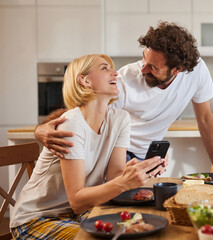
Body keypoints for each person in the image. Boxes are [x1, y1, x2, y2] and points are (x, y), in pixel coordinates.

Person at [34, 21, 213, 177]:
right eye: (144, 59)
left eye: (153, 67)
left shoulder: (197, 71)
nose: (143, 68)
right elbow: (82, 112)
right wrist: (40, 129)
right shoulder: (124, 80)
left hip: (151, 154)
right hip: (118, 153)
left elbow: (206, 119)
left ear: (178, 69)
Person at [10, 54, 166, 239]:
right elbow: (77, 200)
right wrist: (124, 182)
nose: (115, 73)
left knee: (136, 230)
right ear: (84, 81)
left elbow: (115, 177)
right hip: (38, 218)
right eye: (104, 68)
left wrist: (132, 172)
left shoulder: (120, 119)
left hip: (80, 212)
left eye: (112, 68)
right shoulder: (71, 124)